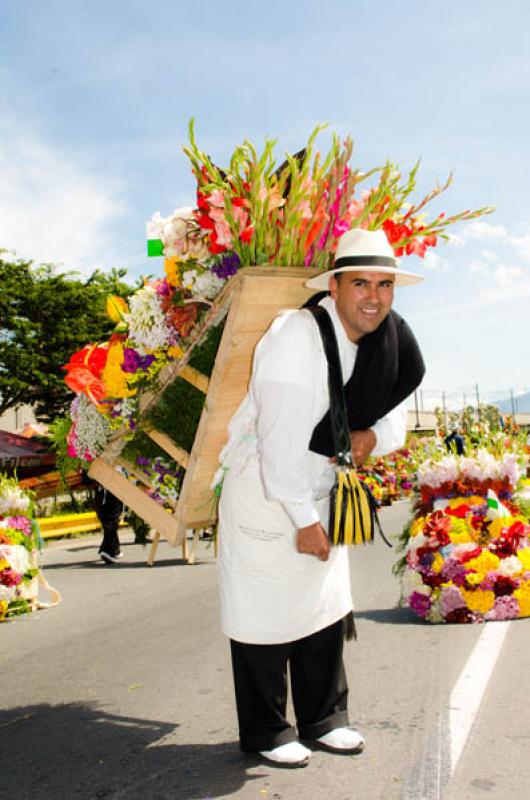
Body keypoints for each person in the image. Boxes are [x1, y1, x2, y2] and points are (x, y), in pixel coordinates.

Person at [216, 228, 425, 767]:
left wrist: (369, 437)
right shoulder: (295, 337)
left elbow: (395, 412)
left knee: (324, 606)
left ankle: (325, 718)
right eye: (361, 283)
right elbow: (278, 441)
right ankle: (266, 730)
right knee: (264, 612)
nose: (374, 297)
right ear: (334, 286)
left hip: (322, 484)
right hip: (268, 490)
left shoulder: (389, 338)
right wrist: (304, 519)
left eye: (385, 284)